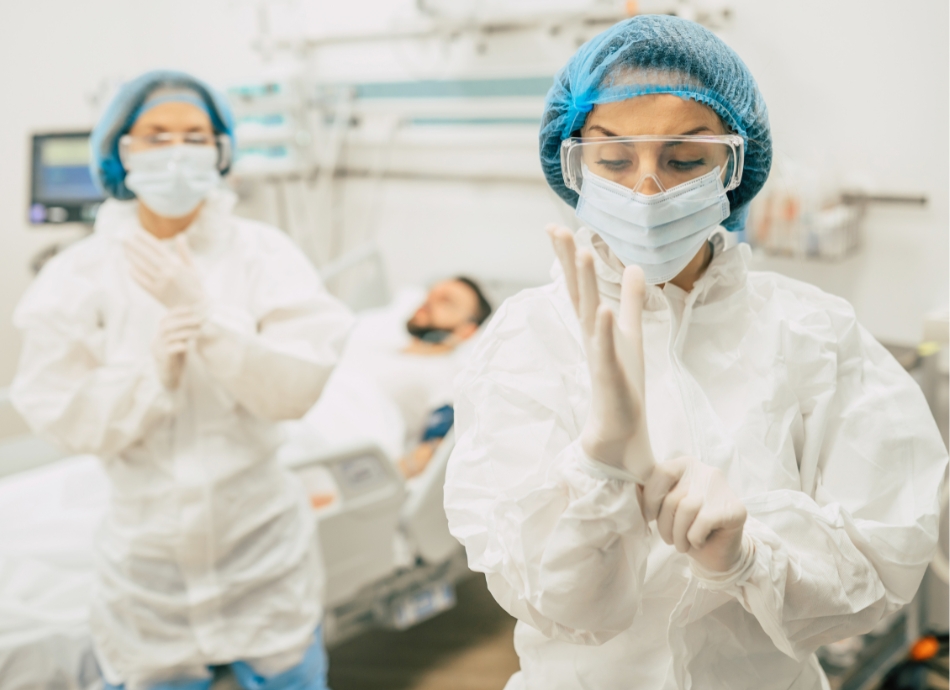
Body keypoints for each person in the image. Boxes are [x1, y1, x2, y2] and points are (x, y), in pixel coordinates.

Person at [443, 15, 949, 690]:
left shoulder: (816, 336)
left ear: (733, 168)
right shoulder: (526, 338)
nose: (647, 189)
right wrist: (598, 474)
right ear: (574, 171)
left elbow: (881, 569)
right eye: (614, 160)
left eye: (684, 160)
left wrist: (746, 556)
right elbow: (565, 610)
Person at [11, 71, 354, 690]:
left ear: (220, 152)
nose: (177, 152)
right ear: (122, 150)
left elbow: (297, 387)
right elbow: (60, 413)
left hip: (262, 555)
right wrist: (150, 379)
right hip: (148, 570)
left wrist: (211, 324)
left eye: (195, 136)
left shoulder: (263, 254)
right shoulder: (77, 274)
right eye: (157, 135)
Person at [281, 277, 492, 479]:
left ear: (468, 329)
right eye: (431, 294)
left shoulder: (447, 375)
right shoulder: (370, 341)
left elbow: (436, 449)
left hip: (345, 428)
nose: (429, 302)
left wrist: (382, 480)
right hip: (305, 398)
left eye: (445, 301)